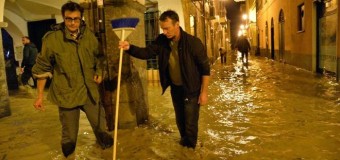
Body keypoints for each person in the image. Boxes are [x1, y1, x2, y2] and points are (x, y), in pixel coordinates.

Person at [119, 10, 210, 149]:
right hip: (176, 88)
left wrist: (204, 92)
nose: (165, 31)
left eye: (167, 28)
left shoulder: (193, 43)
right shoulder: (162, 41)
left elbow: (205, 69)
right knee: (180, 121)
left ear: (177, 24)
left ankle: (189, 150)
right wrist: (129, 47)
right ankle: (184, 148)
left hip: (191, 90)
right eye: (163, 28)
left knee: (190, 124)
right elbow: (146, 52)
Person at [32, 1, 112, 158]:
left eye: (76, 19)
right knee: (69, 137)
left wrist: (99, 71)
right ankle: (69, 156)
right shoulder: (52, 39)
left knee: (102, 129)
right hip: (66, 94)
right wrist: (40, 96)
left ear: (81, 18)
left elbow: (99, 57)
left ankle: (107, 154)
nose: (73, 23)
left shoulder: (89, 35)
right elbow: (42, 68)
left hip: (89, 92)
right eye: (69, 19)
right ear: (63, 18)